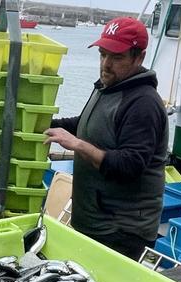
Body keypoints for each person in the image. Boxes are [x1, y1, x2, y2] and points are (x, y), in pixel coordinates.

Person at [44, 17, 167, 260]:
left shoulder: (143, 103)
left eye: (117, 57)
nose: (106, 64)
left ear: (139, 58)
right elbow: (86, 125)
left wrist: (77, 145)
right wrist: (44, 124)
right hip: (93, 221)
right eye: (103, 54)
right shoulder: (107, 86)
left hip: (121, 232)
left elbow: (129, 166)